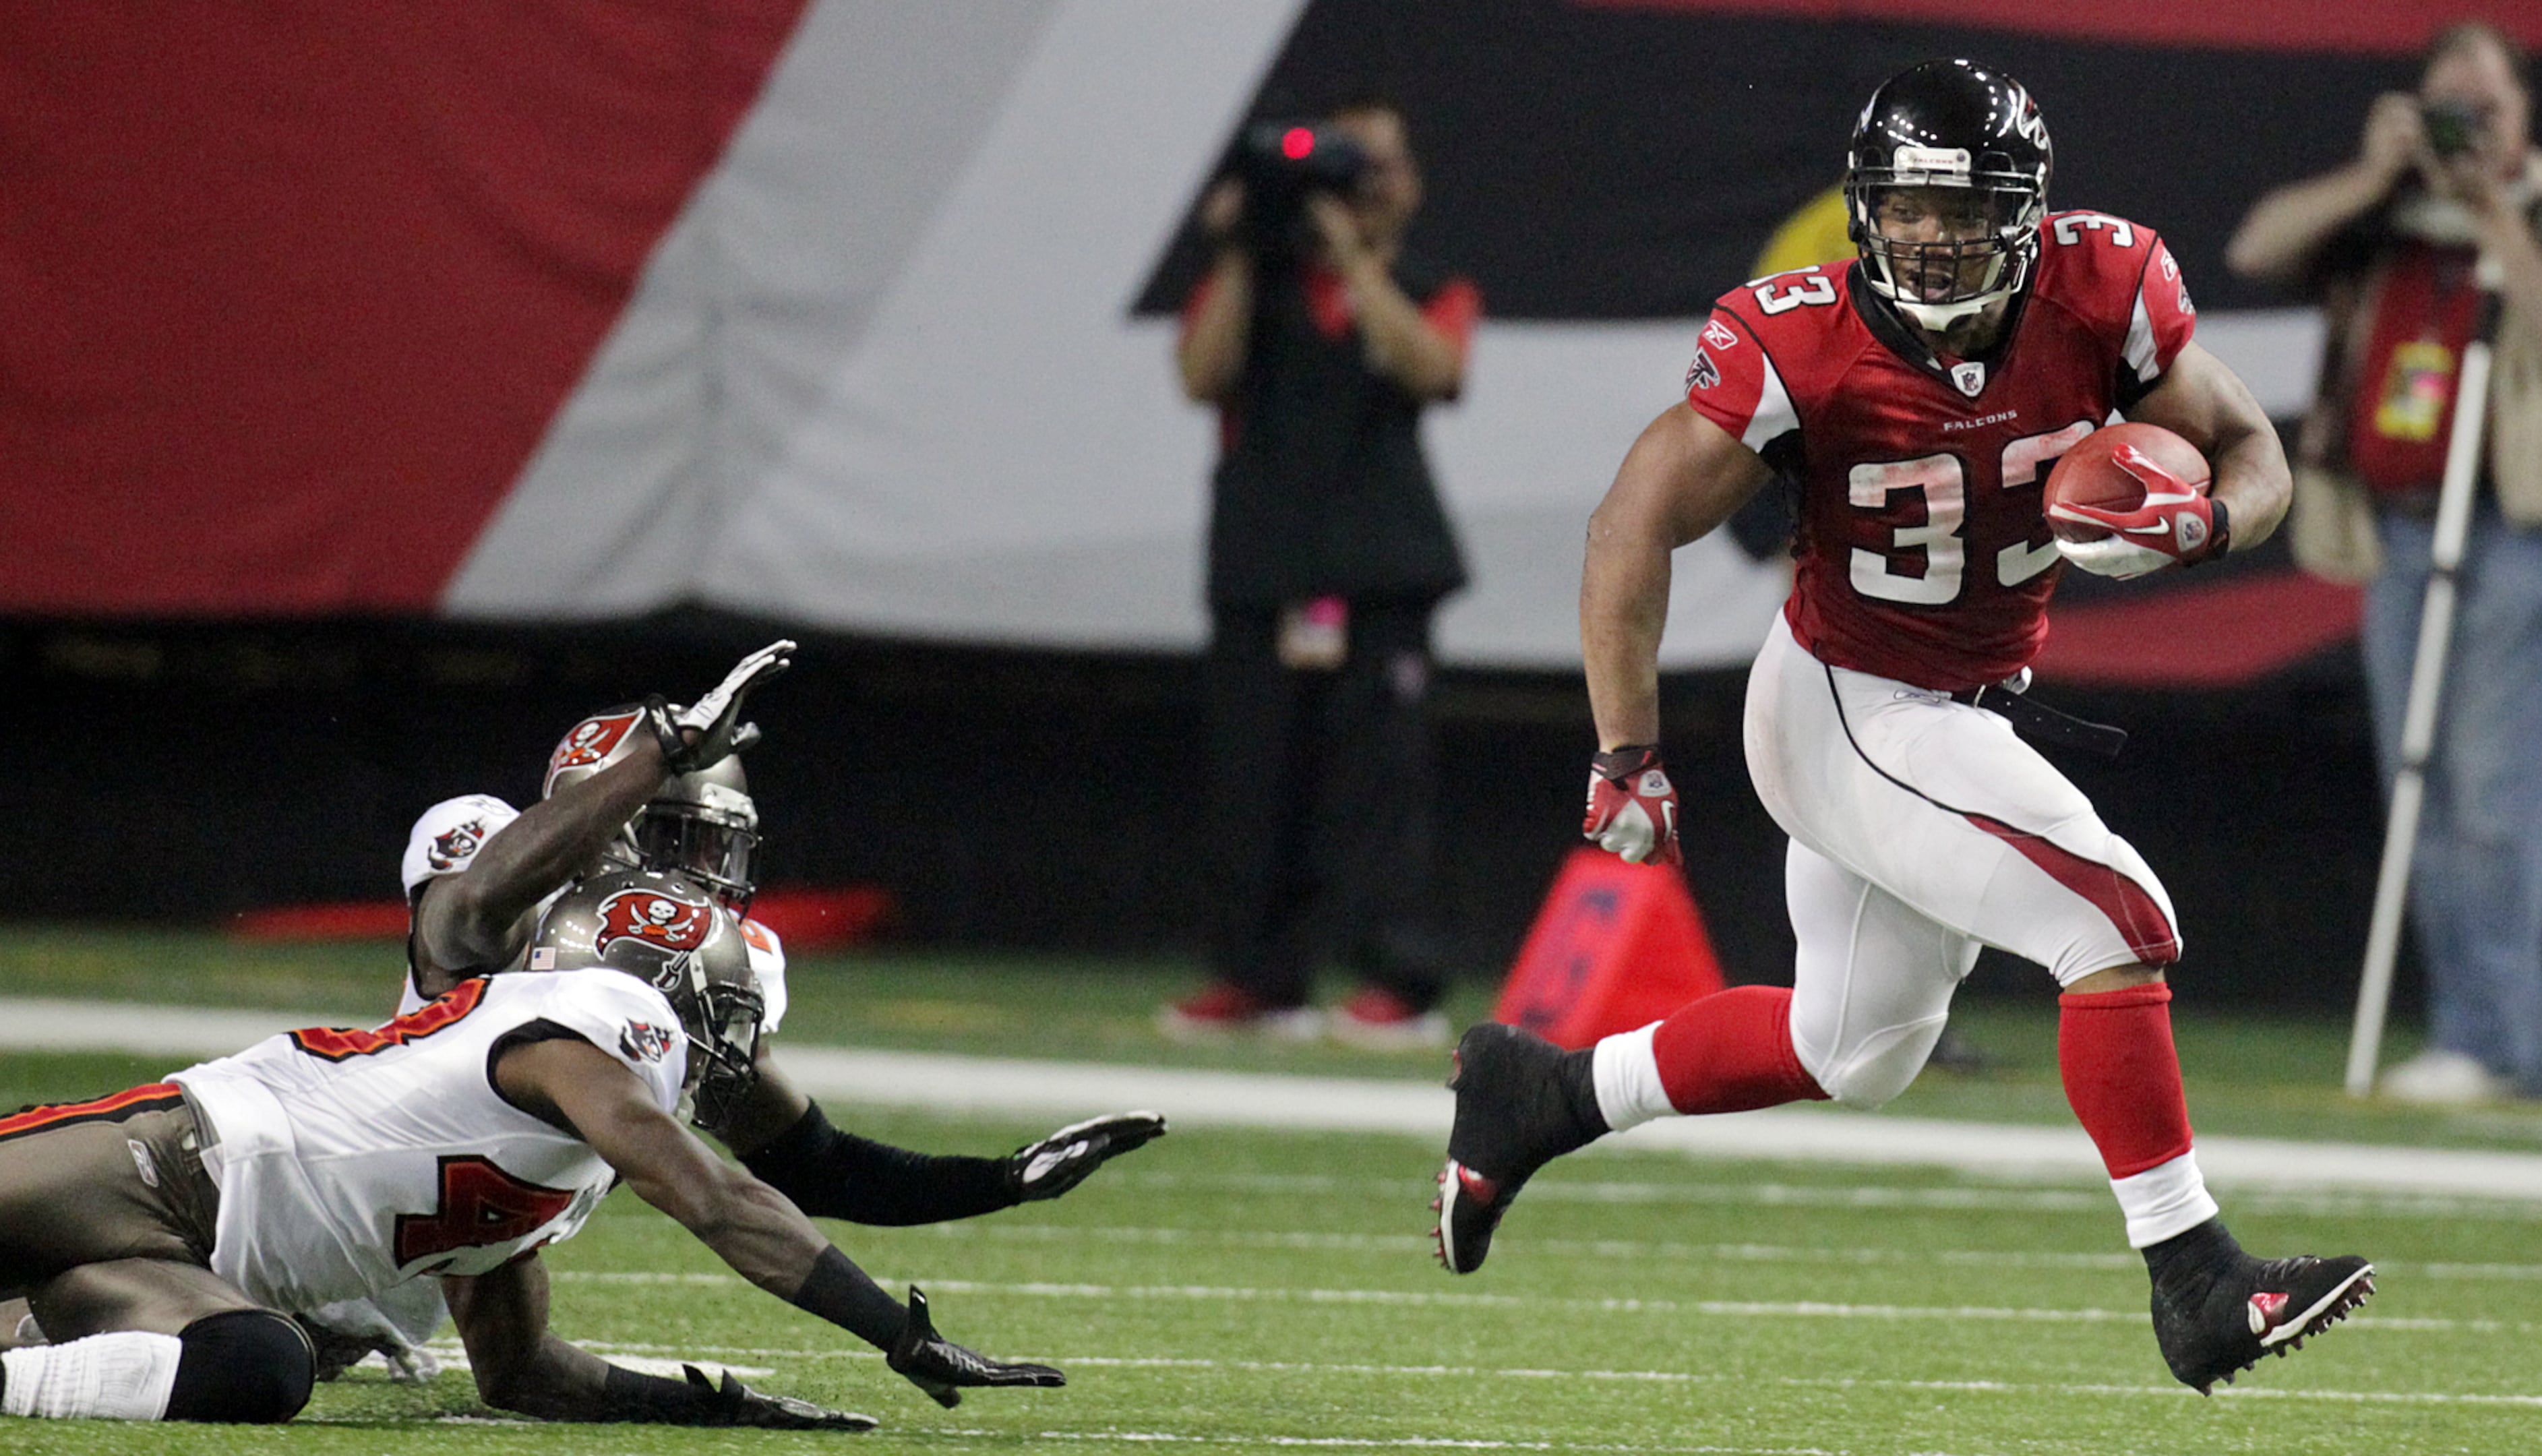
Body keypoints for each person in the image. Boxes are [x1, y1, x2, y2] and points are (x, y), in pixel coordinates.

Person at [1429, 59, 2375, 1396]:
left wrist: (2209, 524)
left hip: (1955, 709)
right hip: (1849, 702)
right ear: (1867, 204)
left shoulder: (2103, 289)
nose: (1932, 236)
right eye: (1909, 206)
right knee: (2112, 918)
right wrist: (1625, 751)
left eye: (1965, 208)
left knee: (1855, 1050)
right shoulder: (1800, 338)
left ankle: (1541, 1095)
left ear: (2027, 212)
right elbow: (1630, 523)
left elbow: (2249, 449)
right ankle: (2197, 1278)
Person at [297, 640, 1164, 1377]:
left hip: (450, 1254)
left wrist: (1002, 1182)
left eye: (718, 845)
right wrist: (657, 755)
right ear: (604, 825)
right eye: (681, 841)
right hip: (323, 1204)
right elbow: (478, 900)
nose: (706, 874)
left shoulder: (702, 963)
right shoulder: (496, 896)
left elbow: (810, 1166)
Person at [0, 868, 1062, 1426]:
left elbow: (517, 1374)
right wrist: (894, 1333)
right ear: (683, 995)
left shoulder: (558, 1157)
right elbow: (718, 1199)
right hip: (154, 1163)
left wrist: (718, 1406)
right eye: (740, 1019)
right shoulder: (596, 1028)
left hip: (182, 1267)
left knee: (262, 1367)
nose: (745, 1056)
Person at [2227, 20, 2542, 1104]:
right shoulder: (2384, 211)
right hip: (2399, 526)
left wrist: (2493, 207)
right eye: (2447, 108)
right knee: (2420, 787)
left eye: (2486, 108)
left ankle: (2500, 1045)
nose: (2465, 127)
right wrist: (2378, 172)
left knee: (2495, 799)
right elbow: (2256, 248)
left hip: (2523, 534)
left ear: (2524, 113)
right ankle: (2477, 1040)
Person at [1163, 97, 1480, 1050]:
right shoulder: (1257, 280)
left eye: (1381, 165)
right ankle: (1258, 976)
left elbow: (1435, 371)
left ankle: (1398, 978)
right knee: (1254, 779)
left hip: (1380, 567)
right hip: (1266, 563)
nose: (1363, 184)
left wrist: (1353, 260)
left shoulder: (1429, 284)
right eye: (1349, 164)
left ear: (1410, 185)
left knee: (1382, 786)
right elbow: (1200, 377)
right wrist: (1239, 245)